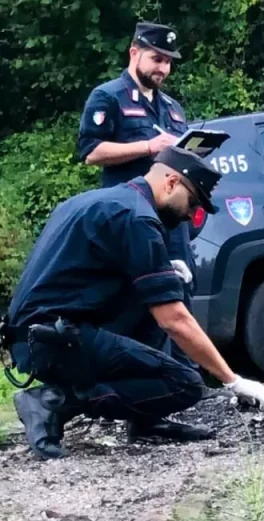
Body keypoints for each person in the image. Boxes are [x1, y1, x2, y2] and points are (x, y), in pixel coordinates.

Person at [1, 146, 264, 460]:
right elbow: (174, 320)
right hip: (55, 342)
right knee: (184, 383)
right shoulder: (137, 218)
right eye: (193, 202)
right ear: (171, 183)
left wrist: (163, 272)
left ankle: (146, 419)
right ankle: (55, 400)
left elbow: (81, 276)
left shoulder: (97, 201)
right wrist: (233, 380)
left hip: (36, 335)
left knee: (153, 294)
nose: (190, 215)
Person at [75, 21, 198, 374]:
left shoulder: (173, 108)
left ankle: (185, 386)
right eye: (156, 59)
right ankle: (139, 399)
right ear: (134, 53)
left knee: (181, 293)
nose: (163, 68)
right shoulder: (107, 97)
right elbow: (91, 151)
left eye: (168, 61)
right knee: (137, 307)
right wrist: (147, 146)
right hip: (130, 218)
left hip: (171, 222)